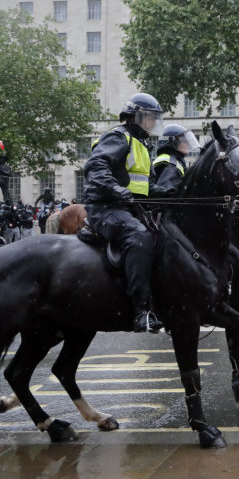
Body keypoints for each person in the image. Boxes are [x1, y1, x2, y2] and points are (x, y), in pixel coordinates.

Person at [83, 92, 164, 333]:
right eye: (149, 118)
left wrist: (171, 193)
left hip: (131, 207)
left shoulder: (142, 144)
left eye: (154, 119)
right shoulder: (119, 137)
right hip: (106, 207)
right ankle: (141, 311)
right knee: (140, 238)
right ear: (135, 116)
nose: (152, 123)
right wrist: (117, 189)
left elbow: (145, 184)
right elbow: (95, 167)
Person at [150, 124, 200, 198]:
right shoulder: (171, 164)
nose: (188, 143)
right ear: (173, 141)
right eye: (184, 140)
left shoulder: (170, 160)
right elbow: (168, 195)